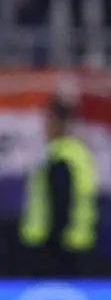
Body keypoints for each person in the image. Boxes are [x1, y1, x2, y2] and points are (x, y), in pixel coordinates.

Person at [20, 98, 98, 278]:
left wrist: (52, 245)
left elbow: (61, 205)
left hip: (59, 250)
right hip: (77, 244)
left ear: (58, 123)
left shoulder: (61, 159)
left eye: (48, 120)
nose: (44, 127)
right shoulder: (77, 154)